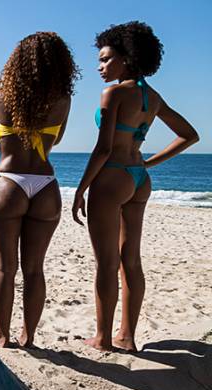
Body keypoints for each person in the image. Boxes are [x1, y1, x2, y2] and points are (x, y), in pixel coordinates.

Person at [72, 22, 198, 352]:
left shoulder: (113, 93)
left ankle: (102, 338)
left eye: (105, 59)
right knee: (132, 260)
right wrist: (148, 163)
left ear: (127, 58)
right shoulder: (152, 97)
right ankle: (127, 337)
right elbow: (189, 135)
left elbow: (102, 148)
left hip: (112, 176)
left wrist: (80, 189)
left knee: (106, 263)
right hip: (139, 179)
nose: (100, 67)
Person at [0, 32, 78, 348]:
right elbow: (57, 140)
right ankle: (29, 336)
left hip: (8, 184)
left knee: (4, 268)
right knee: (35, 269)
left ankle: (4, 336)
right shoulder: (63, 101)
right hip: (46, 186)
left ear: (16, 64)